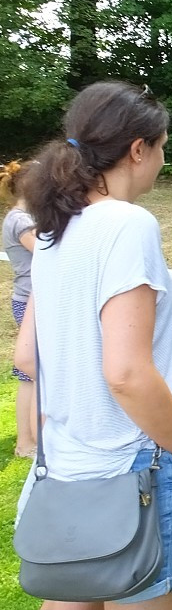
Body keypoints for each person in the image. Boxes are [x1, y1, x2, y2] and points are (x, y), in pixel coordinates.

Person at [13, 81, 172, 610]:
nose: (163, 162)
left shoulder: (55, 229)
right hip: (137, 463)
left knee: (70, 606)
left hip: (68, 457)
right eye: (162, 147)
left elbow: (28, 357)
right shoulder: (126, 224)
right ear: (138, 149)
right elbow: (125, 371)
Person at [1, 160, 36, 457]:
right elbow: (45, 250)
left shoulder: (23, 216)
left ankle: (31, 440)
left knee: (35, 374)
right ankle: (26, 443)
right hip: (29, 302)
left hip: (31, 300)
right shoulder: (21, 220)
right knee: (32, 373)